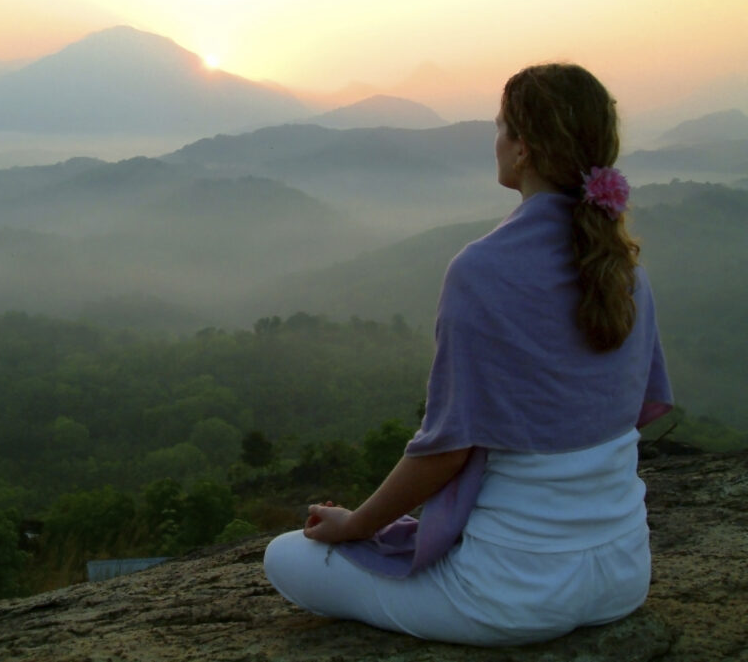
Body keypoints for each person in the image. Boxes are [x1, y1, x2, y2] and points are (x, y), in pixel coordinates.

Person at [263, 63, 673, 646]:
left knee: (286, 557)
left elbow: (445, 453)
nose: (497, 140)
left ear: (524, 149)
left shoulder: (481, 270)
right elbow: (630, 410)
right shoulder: (626, 271)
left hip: (511, 595)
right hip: (624, 577)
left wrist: (356, 525)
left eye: (501, 127)